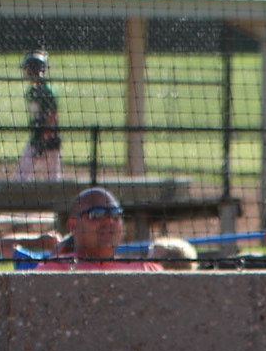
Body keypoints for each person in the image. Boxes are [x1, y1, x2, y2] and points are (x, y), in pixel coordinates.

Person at [36, 189, 161, 272]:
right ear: (72, 225)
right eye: (96, 215)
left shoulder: (147, 269)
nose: (109, 221)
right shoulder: (54, 270)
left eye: (115, 215)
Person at [15, 52, 62, 182]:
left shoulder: (47, 92)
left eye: (29, 69)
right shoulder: (32, 92)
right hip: (36, 137)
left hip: (50, 139)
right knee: (21, 176)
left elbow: (52, 117)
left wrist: (44, 139)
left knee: (52, 179)